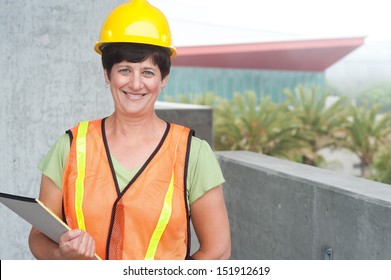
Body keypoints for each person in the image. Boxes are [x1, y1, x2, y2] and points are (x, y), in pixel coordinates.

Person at [28, 0, 231, 260]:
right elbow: (37, 237)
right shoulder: (70, 146)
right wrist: (62, 255)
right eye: (124, 70)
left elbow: (218, 250)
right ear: (107, 74)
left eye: (148, 72)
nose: (136, 84)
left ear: (163, 79)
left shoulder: (193, 153)